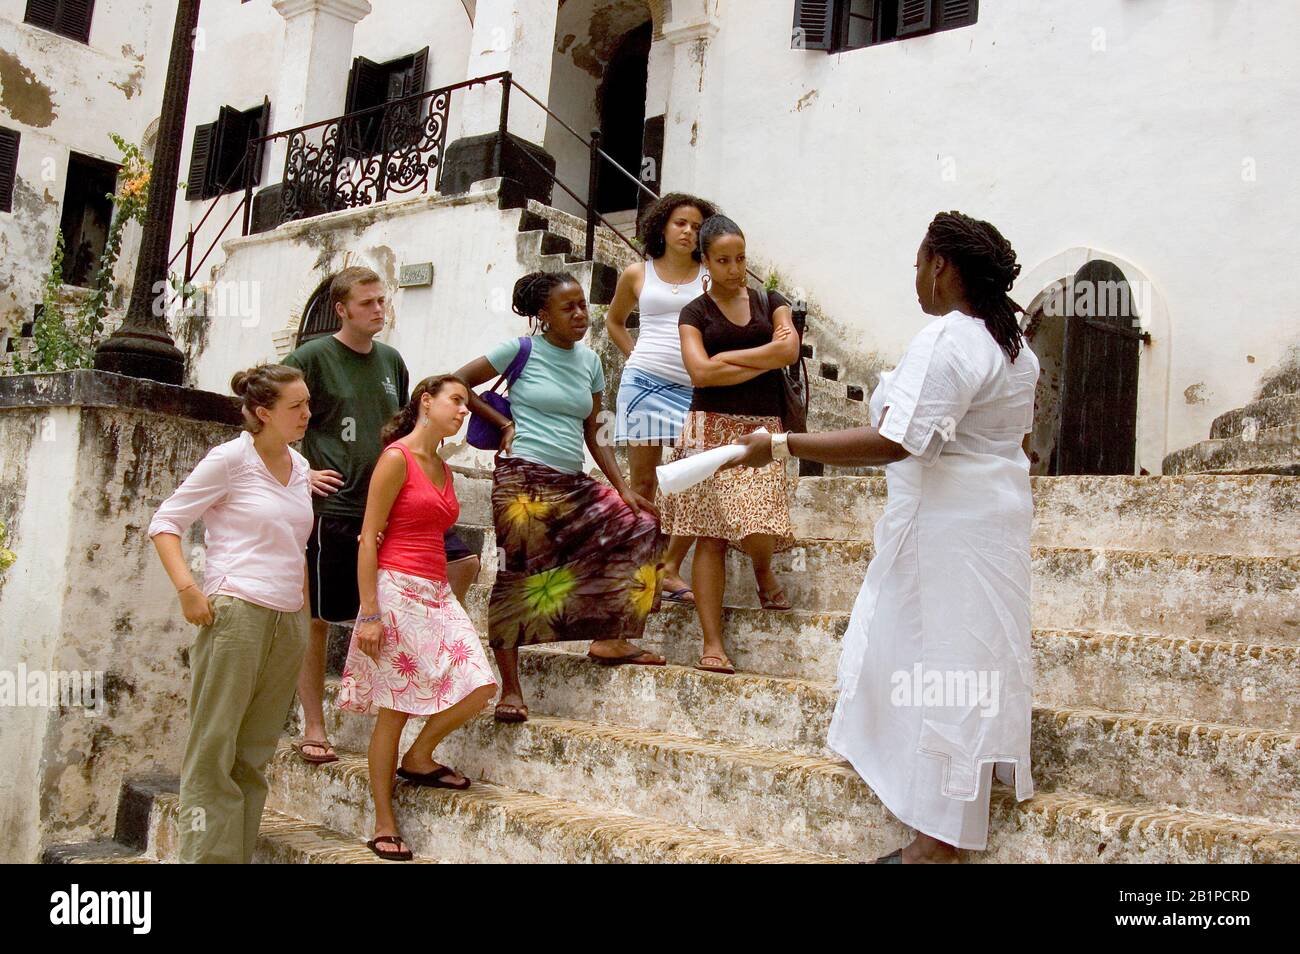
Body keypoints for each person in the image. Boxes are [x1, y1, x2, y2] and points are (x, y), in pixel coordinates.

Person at [729, 211, 1039, 863]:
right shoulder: (1014, 345)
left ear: (940, 266)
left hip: (947, 529)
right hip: (990, 520)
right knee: (957, 659)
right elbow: (1013, 441)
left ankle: (937, 841)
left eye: (918, 265)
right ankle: (938, 798)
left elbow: (896, 441)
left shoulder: (952, 338)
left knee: (941, 664)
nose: (915, 280)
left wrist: (782, 444)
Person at [283, 266, 480, 765]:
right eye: (367, 302)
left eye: (381, 300)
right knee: (319, 618)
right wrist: (299, 471)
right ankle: (314, 724)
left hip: (401, 504)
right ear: (341, 309)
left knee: (464, 562)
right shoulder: (312, 357)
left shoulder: (392, 361)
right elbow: (269, 408)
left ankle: (414, 651)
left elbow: (402, 424)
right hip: (337, 506)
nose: (378, 309)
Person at [454, 271, 665, 724]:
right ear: (542, 316)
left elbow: (594, 433)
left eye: (582, 305)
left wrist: (623, 488)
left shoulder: (590, 361)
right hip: (523, 481)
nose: (579, 314)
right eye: (567, 308)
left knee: (642, 524)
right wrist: (504, 423)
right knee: (519, 574)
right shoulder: (520, 350)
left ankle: (611, 636)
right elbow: (454, 384)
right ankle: (511, 688)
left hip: (571, 480)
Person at [148, 365, 314, 864]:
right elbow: (166, 522)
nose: (308, 413)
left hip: (287, 619)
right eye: (297, 406)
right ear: (263, 413)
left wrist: (302, 614)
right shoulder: (229, 460)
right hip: (236, 612)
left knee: (255, 752)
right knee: (213, 748)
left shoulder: (301, 466)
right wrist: (188, 589)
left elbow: (296, 545)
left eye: (308, 402)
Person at [337, 374, 498, 861]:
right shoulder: (395, 459)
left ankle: (419, 755)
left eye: (466, 403)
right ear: (425, 403)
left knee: (480, 685)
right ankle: (384, 821)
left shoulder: (444, 468)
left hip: (436, 592)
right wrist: (368, 613)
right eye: (456, 401)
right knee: (394, 709)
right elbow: (369, 538)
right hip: (395, 592)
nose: (464, 410)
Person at [658, 215, 800, 675]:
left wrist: (729, 358)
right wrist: (764, 357)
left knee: (758, 518)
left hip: (762, 429)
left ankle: (762, 568)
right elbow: (700, 373)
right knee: (710, 536)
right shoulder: (694, 313)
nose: (735, 268)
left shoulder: (768, 300)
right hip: (708, 428)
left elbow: (789, 351)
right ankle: (712, 642)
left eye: (740, 258)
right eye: (723, 260)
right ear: (704, 261)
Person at [606, 192, 718, 605]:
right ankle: (643, 573)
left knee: (694, 478)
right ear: (663, 228)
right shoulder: (638, 273)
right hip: (643, 385)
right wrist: (633, 355)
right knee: (643, 482)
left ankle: (670, 567)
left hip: (694, 389)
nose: (688, 231)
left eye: (696, 225)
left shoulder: (710, 275)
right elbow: (614, 321)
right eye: (680, 223)